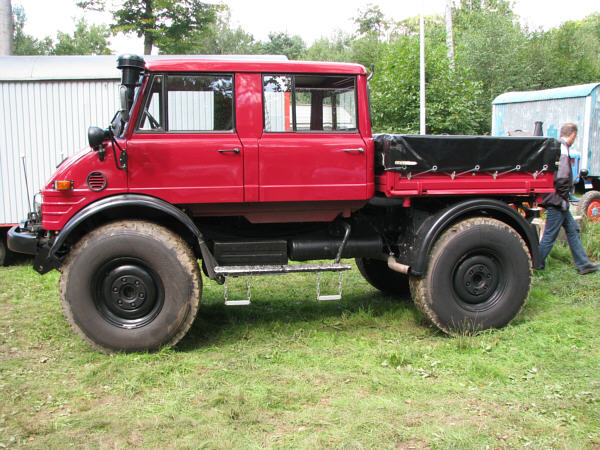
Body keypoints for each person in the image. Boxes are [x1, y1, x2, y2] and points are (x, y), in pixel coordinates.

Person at [539, 123, 599, 275]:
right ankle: (535, 266)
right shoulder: (563, 149)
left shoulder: (555, 147)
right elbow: (563, 177)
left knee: (573, 229)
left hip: (558, 200)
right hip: (558, 200)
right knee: (549, 236)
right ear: (572, 135)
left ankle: (583, 264)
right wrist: (563, 196)